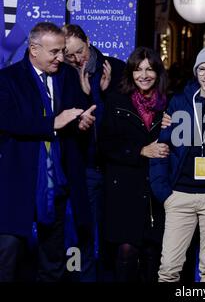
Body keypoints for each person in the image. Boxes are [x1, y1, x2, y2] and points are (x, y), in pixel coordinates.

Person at [0, 22, 95, 281]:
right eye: (54, 52)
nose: (61, 57)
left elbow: (74, 116)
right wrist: (52, 123)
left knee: (52, 262)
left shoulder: (66, 75)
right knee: (7, 256)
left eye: (62, 51)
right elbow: (7, 121)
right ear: (33, 49)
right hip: (19, 183)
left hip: (57, 185)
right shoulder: (8, 80)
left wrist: (82, 122)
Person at [150, 45, 205, 282]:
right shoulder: (180, 103)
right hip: (179, 195)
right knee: (169, 268)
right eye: (202, 69)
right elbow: (162, 148)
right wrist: (164, 193)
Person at [62, 23, 125, 281]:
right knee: (84, 231)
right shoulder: (63, 75)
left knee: (114, 232)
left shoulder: (116, 68)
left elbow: (123, 121)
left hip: (115, 166)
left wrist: (105, 94)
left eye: (80, 51)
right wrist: (84, 95)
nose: (77, 59)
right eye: (70, 55)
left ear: (88, 41)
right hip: (85, 166)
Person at [99, 47, 168, 282]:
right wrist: (139, 151)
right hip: (124, 189)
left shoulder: (170, 106)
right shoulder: (116, 101)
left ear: (158, 73)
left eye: (150, 69)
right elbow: (105, 146)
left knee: (153, 252)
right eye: (138, 69)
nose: (144, 75)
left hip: (156, 191)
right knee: (126, 251)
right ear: (130, 73)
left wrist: (173, 126)